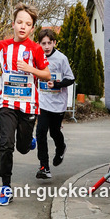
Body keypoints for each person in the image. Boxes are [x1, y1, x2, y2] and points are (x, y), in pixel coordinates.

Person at [0, 3, 51, 204]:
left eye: (28, 24)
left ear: (32, 28)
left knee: (23, 148)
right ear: (13, 24)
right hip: (7, 102)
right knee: (6, 144)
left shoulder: (35, 49)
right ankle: (5, 187)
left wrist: (30, 69)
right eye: (20, 22)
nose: (23, 26)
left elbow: (47, 74)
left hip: (28, 105)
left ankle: (29, 141)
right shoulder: (3, 46)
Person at [35, 28, 74, 179]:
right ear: (39, 44)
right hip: (43, 101)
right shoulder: (37, 57)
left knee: (54, 132)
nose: (46, 46)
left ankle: (61, 148)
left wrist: (57, 84)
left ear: (54, 43)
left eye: (49, 43)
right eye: (43, 43)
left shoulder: (61, 58)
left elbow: (71, 78)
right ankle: (44, 166)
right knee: (40, 132)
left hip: (58, 103)